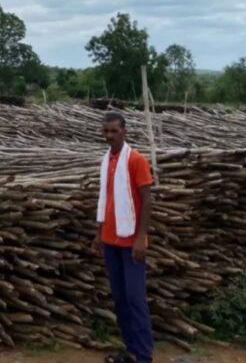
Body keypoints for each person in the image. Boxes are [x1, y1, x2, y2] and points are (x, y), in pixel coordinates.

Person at [91, 112, 154, 363]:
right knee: (120, 298)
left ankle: (143, 355)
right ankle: (131, 350)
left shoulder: (136, 160)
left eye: (114, 131)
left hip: (130, 242)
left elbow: (147, 199)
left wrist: (141, 237)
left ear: (124, 132)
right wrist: (99, 234)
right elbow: (105, 199)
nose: (109, 136)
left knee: (135, 298)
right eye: (105, 131)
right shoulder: (107, 160)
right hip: (110, 240)